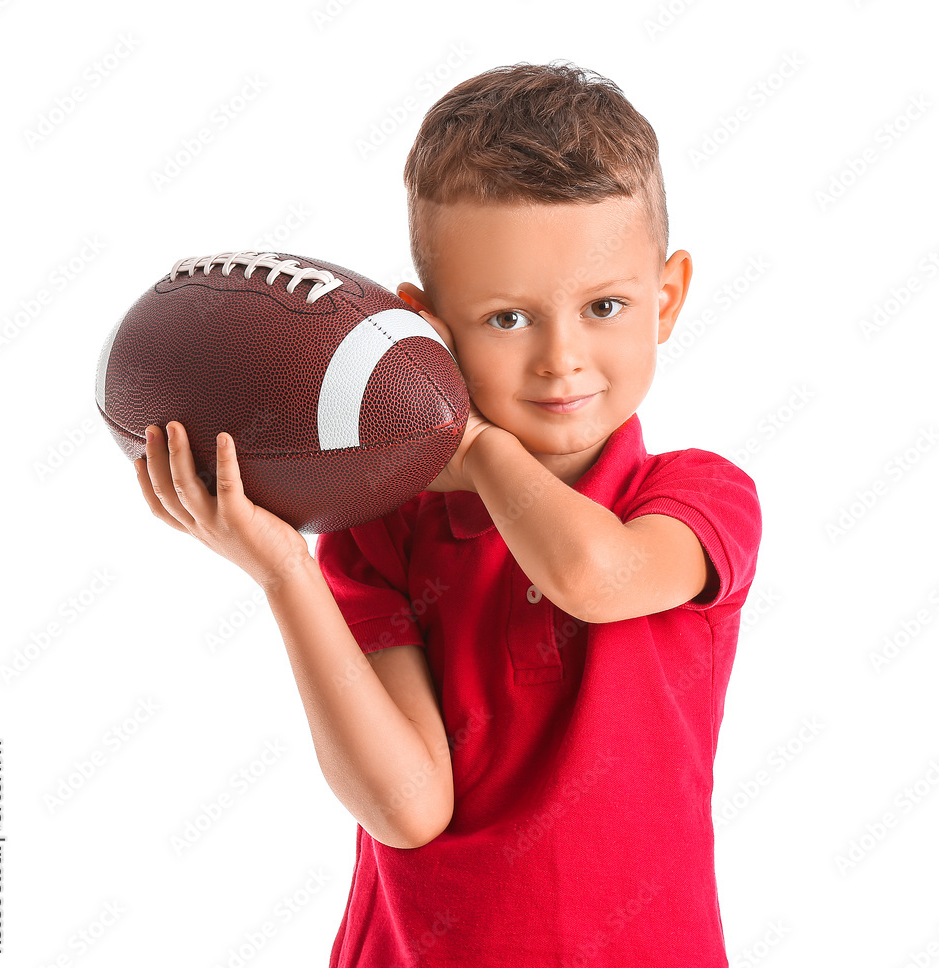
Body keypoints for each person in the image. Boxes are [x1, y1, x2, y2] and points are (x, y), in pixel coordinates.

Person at [136, 61, 763, 967]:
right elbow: (405, 806)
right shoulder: (382, 528)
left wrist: (471, 449)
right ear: (426, 327)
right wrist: (283, 571)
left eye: (605, 307)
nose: (561, 358)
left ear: (665, 300)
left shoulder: (696, 497)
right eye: (508, 319)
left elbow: (592, 576)